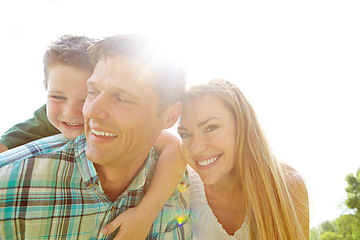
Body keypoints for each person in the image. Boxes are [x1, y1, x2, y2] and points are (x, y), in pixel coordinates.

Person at [0, 34, 192, 239]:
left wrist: (147, 212)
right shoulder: (14, 176)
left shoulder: (173, 188)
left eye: (121, 98)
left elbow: (174, 146)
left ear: (170, 115)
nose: (86, 111)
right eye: (93, 91)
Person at [104, 78, 310, 240]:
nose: (197, 147)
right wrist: (144, 215)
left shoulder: (286, 187)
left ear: (243, 127)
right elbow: (139, 134)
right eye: (185, 134)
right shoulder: (183, 189)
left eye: (210, 128)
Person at [0, 34, 95, 152]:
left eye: (85, 99)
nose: (71, 112)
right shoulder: (44, 120)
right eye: (58, 97)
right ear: (46, 88)